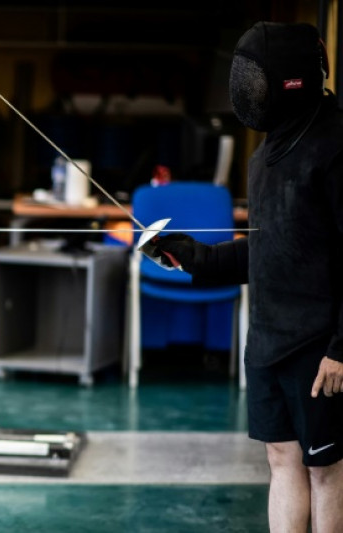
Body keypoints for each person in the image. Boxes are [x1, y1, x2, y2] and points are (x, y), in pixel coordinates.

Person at [152, 22, 343, 532]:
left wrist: (342, 348)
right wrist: (195, 258)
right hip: (266, 340)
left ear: (290, 78)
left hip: (318, 346)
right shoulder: (265, 157)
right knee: (281, 458)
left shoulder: (335, 146)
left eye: (255, 78)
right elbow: (268, 249)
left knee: (325, 470)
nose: (247, 90)